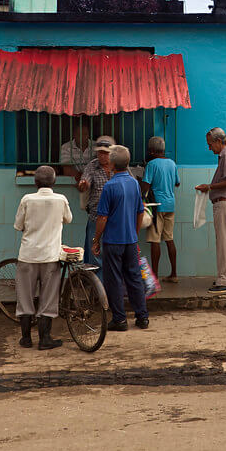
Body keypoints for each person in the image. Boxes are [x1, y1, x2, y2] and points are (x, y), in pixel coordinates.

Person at [13, 165, 73, 350]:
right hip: (50, 257)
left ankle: (26, 339)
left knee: (25, 297)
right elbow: (68, 219)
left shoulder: (27, 199)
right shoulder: (61, 200)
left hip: (28, 255)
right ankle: (45, 338)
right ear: (54, 182)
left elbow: (18, 225)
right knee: (48, 298)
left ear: (35, 182)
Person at [92, 145, 149, 331]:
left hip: (113, 241)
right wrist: (134, 232)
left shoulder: (109, 187)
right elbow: (140, 212)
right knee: (134, 278)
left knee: (114, 279)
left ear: (112, 163)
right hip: (130, 240)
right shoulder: (133, 183)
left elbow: (102, 218)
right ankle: (142, 317)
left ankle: (120, 319)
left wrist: (95, 240)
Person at [195, 127, 226, 293]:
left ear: (219, 142)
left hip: (225, 203)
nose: (209, 148)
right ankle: (225, 278)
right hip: (224, 203)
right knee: (224, 243)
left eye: (210, 144)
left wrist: (210, 186)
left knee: (224, 244)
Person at [141, 136, 180, 283]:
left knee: (155, 240)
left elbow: (146, 186)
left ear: (151, 151)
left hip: (157, 206)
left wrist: (140, 181)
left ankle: (155, 276)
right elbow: (177, 183)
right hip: (170, 205)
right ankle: (174, 274)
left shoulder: (151, 164)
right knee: (169, 239)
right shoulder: (172, 163)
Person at [77, 136, 114, 267]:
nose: (102, 156)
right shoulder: (92, 166)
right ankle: (96, 284)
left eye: (105, 153)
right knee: (95, 253)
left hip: (115, 216)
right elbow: (83, 183)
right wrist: (83, 185)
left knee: (112, 253)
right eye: (100, 152)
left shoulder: (118, 166)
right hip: (96, 215)